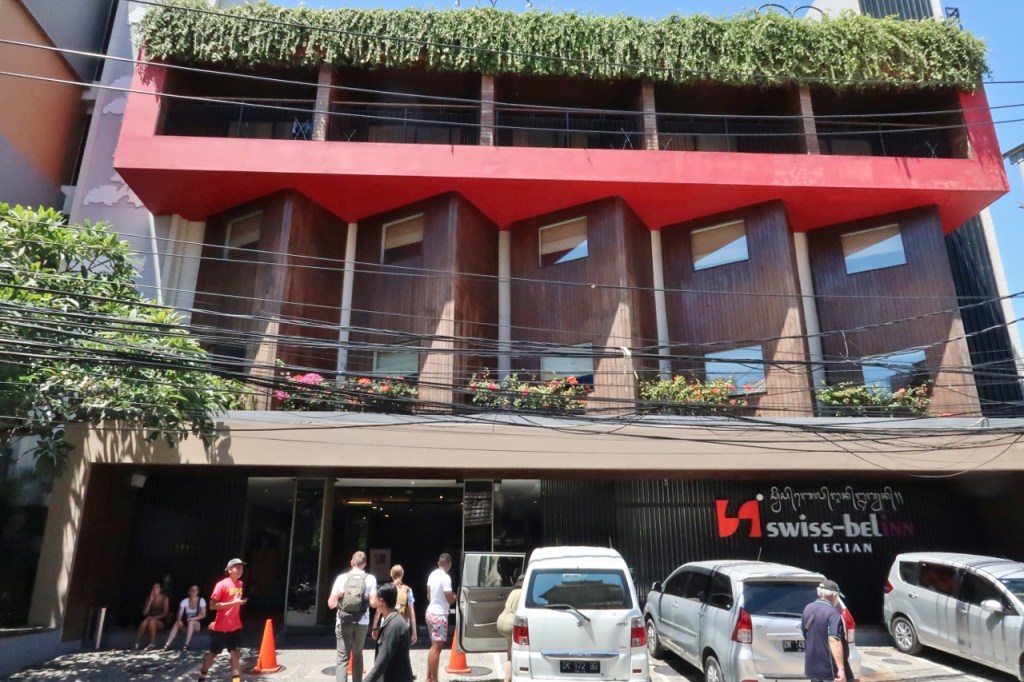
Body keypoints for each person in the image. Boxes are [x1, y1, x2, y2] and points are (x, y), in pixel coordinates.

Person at [328, 551, 379, 682]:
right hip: (362, 622)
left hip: (343, 621)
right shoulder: (371, 579)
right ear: (365, 564)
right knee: (358, 654)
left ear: (351, 562)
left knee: (342, 658)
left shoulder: (341, 578)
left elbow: (331, 603)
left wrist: (341, 599)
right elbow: (373, 603)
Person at [197, 558, 248, 682]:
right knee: (213, 654)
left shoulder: (240, 584)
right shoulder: (221, 584)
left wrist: (238, 603)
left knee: (235, 653)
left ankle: (236, 680)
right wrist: (233, 603)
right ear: (229, 570)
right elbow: (212, 606)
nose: (240, 570)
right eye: (237, 567)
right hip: (221, 628)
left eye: (242, 568)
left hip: (235, 626)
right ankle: (202, 677)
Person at [801, 579, 854, 682]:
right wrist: (841, 669)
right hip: (830, 670)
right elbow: (834, 640)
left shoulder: (808, 608)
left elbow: (805, 633)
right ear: (834, 595)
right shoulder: (833, 613)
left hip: (813, 667)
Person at [364, 583, 414, 682]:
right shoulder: (394, 620)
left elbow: (381, 662)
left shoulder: (393, 626)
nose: (372, 601)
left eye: (375, 598)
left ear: (381, 601)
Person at [425, 553, 455, 682]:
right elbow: (449, 598)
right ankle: (435, 679)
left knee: (433, 646)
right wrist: (454, 597)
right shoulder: (446, 578)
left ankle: (428, 677)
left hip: (430, 612)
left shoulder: (432, 575)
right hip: (440, 616)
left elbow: (428, 595)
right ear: (449, 564)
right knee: (437, 648)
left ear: (439, 563)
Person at [372, 565, 417, 646]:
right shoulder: (408, 590)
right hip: (403, 625)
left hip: (387, 623)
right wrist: (414, 632)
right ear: (402, 574)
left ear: (391, 574)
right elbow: (412, 613)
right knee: (400, 650)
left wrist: (374, 628)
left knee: (387, 648)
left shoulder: (386, 589)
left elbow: (378, 611)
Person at [163, 585, 207, 651]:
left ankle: (186, 644)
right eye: (192, 590)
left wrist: (192, 619)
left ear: (198, 592)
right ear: (189, 592)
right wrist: (179, 620)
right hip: (187, 625)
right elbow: (180, 614)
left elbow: (203, 615)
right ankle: (167, 644)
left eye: (196, 590)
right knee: (177, 623)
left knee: (191, 622)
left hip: (197, 625)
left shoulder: (201, 600)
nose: (194, 592)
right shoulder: (185, 601)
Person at [497, 576, 524, 682]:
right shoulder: (523, 592)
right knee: (521, 653)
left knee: (510, 657)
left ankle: (506, 680)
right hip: (511, 622)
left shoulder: (513, 591)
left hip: (502, 620)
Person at [134, 582, 170, 650]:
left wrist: (153, 618)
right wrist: (150, 600)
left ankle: (152, 643)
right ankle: (136, 643)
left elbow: (165, 614)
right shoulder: (149, 598)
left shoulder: (164, 598)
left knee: (151, 621)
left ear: (160, 589)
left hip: (160, 622)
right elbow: (144, 613)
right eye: (153, 588)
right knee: (144, 622)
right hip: (148, 620)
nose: (155, 589)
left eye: (157, 587)